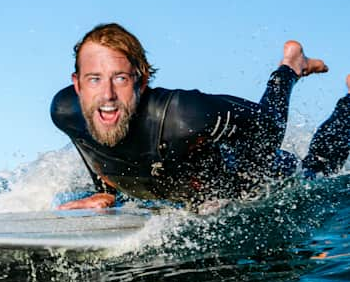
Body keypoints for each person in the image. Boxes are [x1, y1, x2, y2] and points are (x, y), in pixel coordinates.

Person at [51, 23, 350, 210]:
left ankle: (294, 67)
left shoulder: (184, 116)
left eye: (120, 79)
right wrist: (104, 192)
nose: (107, 95)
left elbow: (267, 128)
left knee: (317, 170)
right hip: (181, 191)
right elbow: (89, 144)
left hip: (252, 173)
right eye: (94, 79)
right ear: (77, 84)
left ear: (141, 82)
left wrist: (238, 190)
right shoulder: (66, 112)